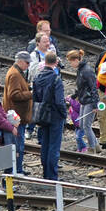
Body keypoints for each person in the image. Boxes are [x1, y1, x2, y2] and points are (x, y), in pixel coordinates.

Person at [32, 53, 67, 181]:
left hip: (42, 114)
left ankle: (45, 173)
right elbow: (59, 101)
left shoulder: (37, 77)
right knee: (54, 146)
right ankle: (52, 175)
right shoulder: (56, 78)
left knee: (45, 144)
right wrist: (64, 113)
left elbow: (34, 97)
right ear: (56, 63)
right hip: (55, 115)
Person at [3, 52, 33, 174]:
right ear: (20, 61)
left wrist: (28, 87)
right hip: (16, 117)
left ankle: (18, 169)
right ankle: (16, 171)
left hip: (17, 116)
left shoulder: (17, 72)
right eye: (27, 62)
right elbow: (14, 94)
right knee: (17, 145)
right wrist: (31, 93)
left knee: (17, 145)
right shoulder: (15, 74)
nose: (28, 65)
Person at [67, 50, 99, 153]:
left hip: (89, 101)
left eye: (71, 62)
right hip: (84, 100)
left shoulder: (86, 71)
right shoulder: (81, 70)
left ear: (76, 60)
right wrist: (74, 96)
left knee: (86, 125)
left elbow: (94, 88)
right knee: (82, 124)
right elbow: (81, 87)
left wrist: (95, 105)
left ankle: (92, 147)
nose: (70, 64)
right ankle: (96, 145)